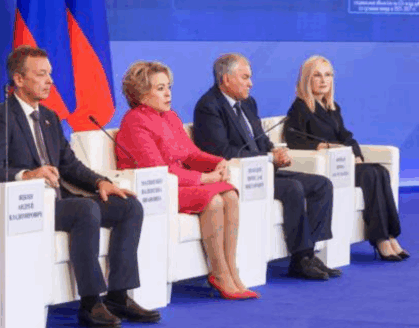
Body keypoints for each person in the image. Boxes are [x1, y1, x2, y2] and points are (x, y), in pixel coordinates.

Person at [0, 45, 160, 328]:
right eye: (41, 74)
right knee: (85, 209)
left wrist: (101, 182)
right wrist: (26, 175)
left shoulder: (49, 117)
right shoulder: (0, 117)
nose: (50, 80)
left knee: (128, 206)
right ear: (19, 79)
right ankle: (90, 303)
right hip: (28, 205)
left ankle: (118, 296)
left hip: (62, 201)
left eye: (50, 74)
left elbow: (70, 165)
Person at [115, 61, 258, 300]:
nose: (168, 93)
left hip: (179, 182)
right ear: (141, 93)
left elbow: (190, 154)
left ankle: (232, 269)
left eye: (168, 87)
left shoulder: (170, 117)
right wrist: (204, 178)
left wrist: (218, 162)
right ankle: (219, 273)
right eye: (160, 88)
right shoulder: (134, 122)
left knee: (230, 194)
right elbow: (157, 170)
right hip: (156, 190)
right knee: (213, 200)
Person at [193, 53, 340, 281]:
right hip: (239, 177)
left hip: (264, 170)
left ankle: (309, 253)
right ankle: (301, 258)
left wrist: (274, 151)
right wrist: (269, 158)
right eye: (245, 77)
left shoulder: (248, 103)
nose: (250, 83)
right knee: (293, 188)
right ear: (226, 79)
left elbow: (260, 139)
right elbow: (223, 152)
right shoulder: (209, 107)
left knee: (322, 185)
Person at [283, 55, 408, 261]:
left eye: (328, 75)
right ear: (307, 79)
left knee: (380, 171)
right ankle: (379, 239)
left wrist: (356, 154)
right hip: (327, 168)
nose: (324, 80)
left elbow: (346, 136)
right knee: (370, 174)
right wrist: (323, 146)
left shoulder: (332, 108)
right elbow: (294, 140)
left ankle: (390, 234)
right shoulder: (300, 107)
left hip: (344, 163)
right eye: (317, 75)